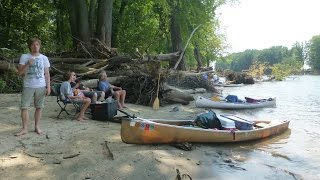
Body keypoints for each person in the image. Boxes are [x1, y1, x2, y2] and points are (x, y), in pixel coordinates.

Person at [16, 37, 51, 136]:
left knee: (39, 107)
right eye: (33, 44)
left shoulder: (44, 58)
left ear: (39, 46)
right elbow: (19, 73)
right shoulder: (24, 56)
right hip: (28, 85)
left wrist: (48, 87)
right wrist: (27, 64)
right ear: (30, 46)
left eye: (37, 44)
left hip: (41, 85)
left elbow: (47, 74)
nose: (35, 46)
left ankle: (37, 127)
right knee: (24, 107)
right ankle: (24, 128)